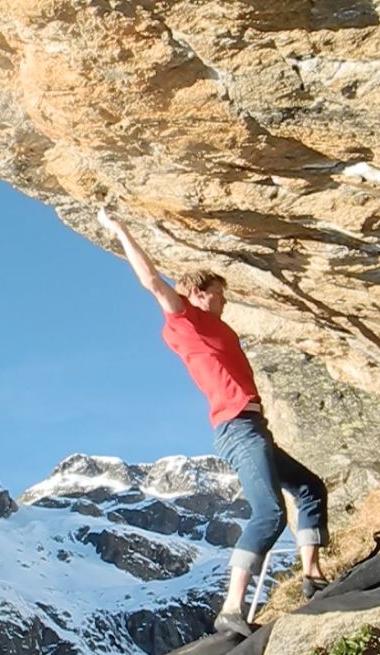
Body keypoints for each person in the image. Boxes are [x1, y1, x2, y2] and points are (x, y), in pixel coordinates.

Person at [96, 208, 329, 637]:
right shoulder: (188, 320)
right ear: (198, 294)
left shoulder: (214, 328)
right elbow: (151, 282)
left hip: (252, 429)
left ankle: (313, 577)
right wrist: (119, 228)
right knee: (270, 513)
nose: (225, 301)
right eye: (219, 293)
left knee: (309, 487)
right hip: (238, 427)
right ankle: (231, 608)